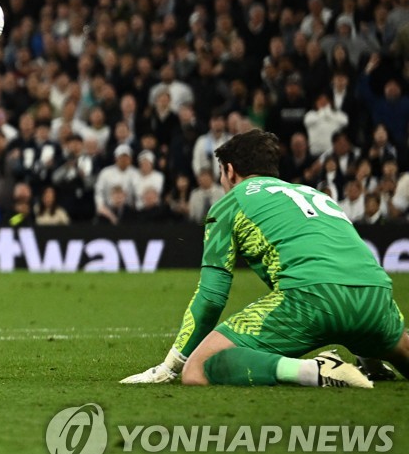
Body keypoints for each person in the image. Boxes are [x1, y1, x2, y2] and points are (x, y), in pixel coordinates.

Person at [121, 129, 408, 388]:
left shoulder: (231, 202)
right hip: (377, 297)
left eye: (222, 174)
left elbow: (211, 298)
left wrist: (170, 367)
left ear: (230, 171)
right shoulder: (313, 194)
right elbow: (342, 261)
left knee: (198, 369)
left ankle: (314, 370)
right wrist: (371, 352)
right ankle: (371, 362)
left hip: (309, 298)